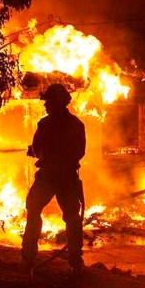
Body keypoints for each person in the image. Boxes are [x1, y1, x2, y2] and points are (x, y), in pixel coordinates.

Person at [21, 83, 86, 274]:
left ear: (57, 102)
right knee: (72, 218)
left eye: (48, 101)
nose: (45, 105)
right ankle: (75, 260)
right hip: (67, 177)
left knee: (33, 210)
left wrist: (37, 152)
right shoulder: (76, 124)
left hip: (49, 176)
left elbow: (39, 148)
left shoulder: (45, 124)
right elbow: (79, 152)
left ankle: (28, 256)